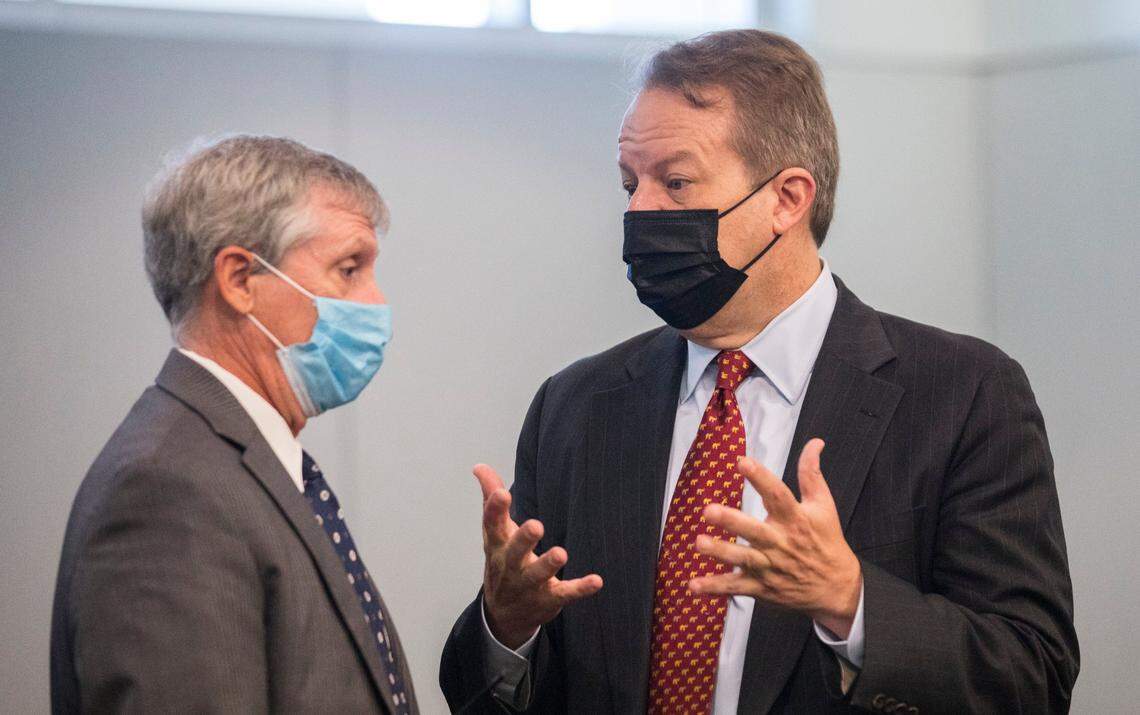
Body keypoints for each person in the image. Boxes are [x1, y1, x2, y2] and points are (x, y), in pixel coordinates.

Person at [440, 30, 1078, 714]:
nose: (638, 212)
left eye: (674, 183)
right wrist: (506, 626)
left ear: (787, 199)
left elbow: (1031, 676)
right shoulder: (576, 405)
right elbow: (491, 688)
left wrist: (851, 601)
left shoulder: (963, 393)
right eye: (630, 183)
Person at [51, 136, 416, 713]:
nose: (375, 301)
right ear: (240, 279)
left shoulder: (239, 466)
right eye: (349, 269)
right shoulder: (167, 490)